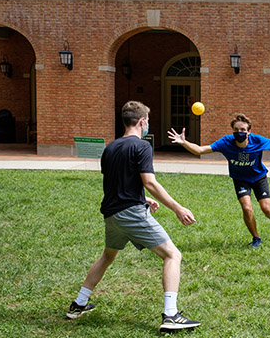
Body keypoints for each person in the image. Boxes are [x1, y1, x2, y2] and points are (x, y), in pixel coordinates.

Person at [66, 101, 200, 333]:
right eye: (147, 121)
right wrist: (177, 208)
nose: (147, 125)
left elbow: (116, 182)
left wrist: (143, 199)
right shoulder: (142, 146)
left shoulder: (110, 148)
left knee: (108, 256)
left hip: (112, 213)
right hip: (130, 213)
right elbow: (149, 182)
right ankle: (170, 315)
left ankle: (78, 304)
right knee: (172, 255)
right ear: (142, 122)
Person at [168, 113, 270, 249]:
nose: (239, 132)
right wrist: (184, 142)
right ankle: (256, 238)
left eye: (243, 130)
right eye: (236, 130)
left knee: (266, 209)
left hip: (258, 177)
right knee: (246, 208)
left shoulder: (257, 140)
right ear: (232, 131)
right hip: (240, 179)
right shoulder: (226, 142)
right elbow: (200, 150)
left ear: (248, 132)